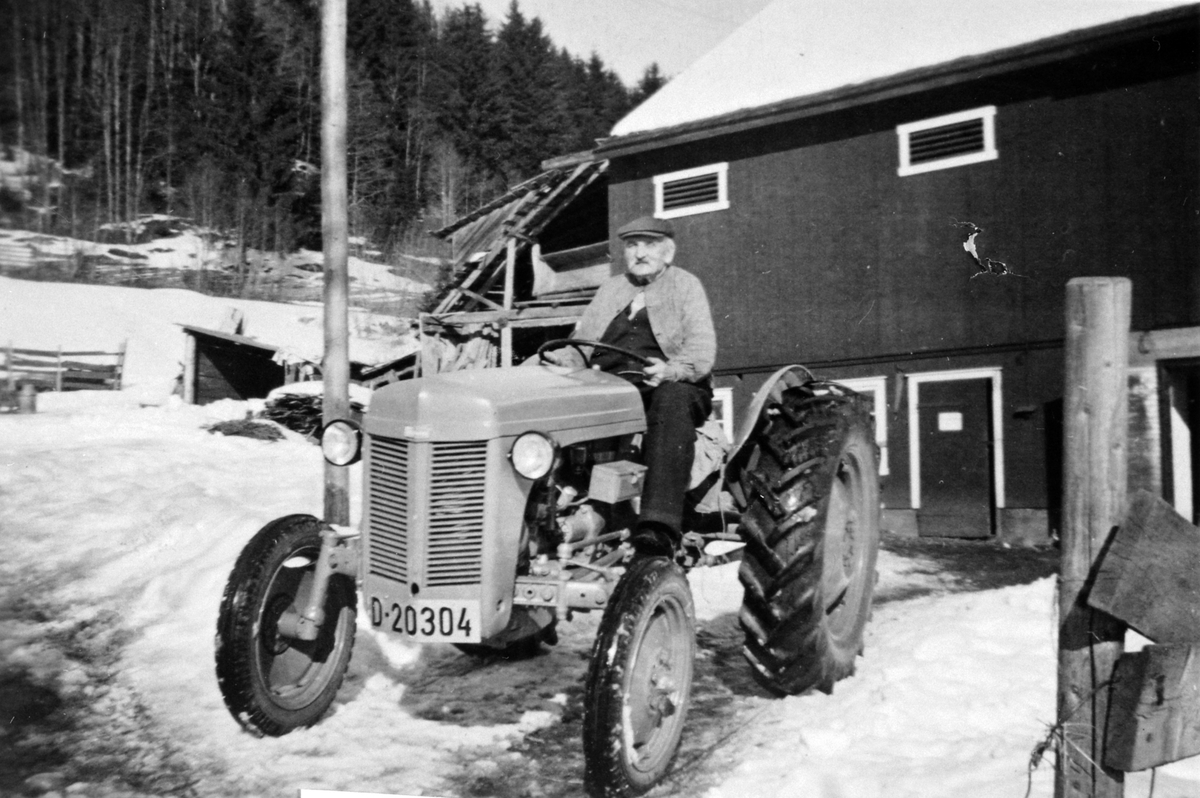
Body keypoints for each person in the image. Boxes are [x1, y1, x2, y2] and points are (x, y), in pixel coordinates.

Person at [559, 215, 717, 558]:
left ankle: (658, 526)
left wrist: (671, 370)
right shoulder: (611, 289)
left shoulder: (686, 286)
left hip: (671, 384)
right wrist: (560, 364)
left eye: (649, 244)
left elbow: (702, 354)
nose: (640, 253)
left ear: (668, 252)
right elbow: (580, 343)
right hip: (609, 386)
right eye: (632, 245)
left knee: (672, 399)